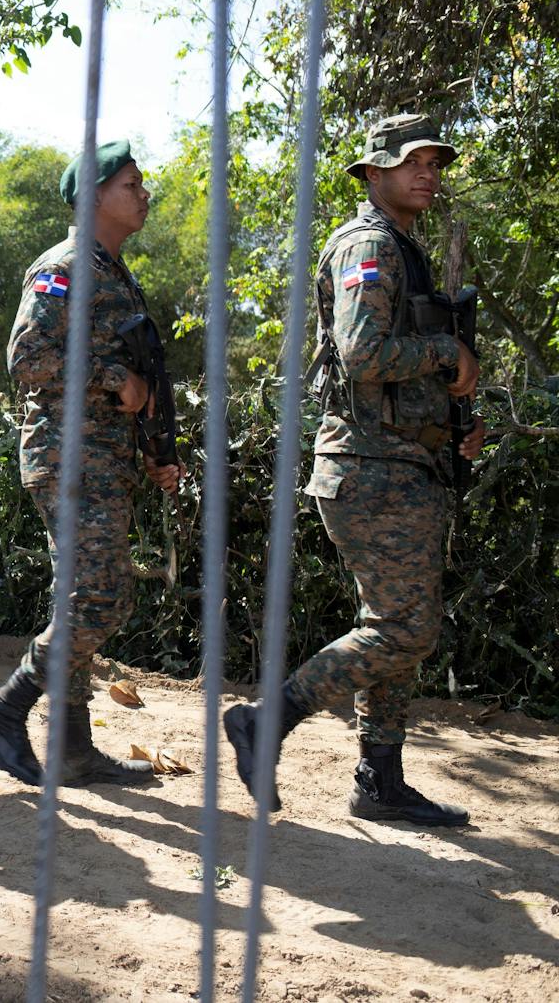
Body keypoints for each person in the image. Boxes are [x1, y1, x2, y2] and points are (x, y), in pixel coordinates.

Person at [226, 113, 483, 827]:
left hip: (402, 461)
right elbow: (362, 353)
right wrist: (444, 354)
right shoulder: (369, 244)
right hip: (369, 467)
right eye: (411, 162)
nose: (427, 172)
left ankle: (380, 778)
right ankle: (267, 721)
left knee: (396, 624)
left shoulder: (404, 247)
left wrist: (455, 415)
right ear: (373, 172)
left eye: (435, 161)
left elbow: (404, 367)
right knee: (406, 627)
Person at [0, 140, 182, 787]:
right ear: (93, 195)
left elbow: (142, 383)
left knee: (85, 598)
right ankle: (6, 709)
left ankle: (72, 746)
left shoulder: (116, 274)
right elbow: (25, 356)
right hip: (65, 458)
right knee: (100, 596)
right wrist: (114, 375)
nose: (144, 195)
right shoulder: (65, 266)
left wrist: (155, 452)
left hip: (104, 461)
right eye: (131, 184)